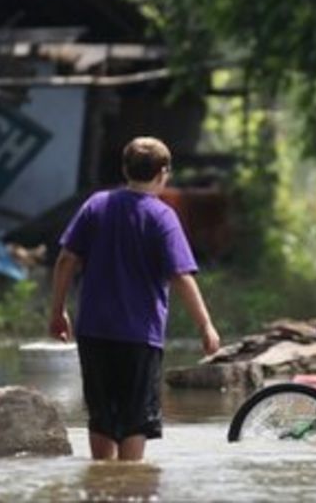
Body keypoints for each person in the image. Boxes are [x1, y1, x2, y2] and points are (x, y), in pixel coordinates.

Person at [49, 136, 221, 461]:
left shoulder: (96, 205)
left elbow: (65, 260)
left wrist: (57, 311)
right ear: (163, 172)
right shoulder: (161, 216)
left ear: (125, 168)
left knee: (101, 417)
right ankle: (128, 487)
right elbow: (180, 275)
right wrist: (205, 325)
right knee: (134, 422)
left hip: (94, 331)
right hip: (139, 337)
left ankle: (101, 488)